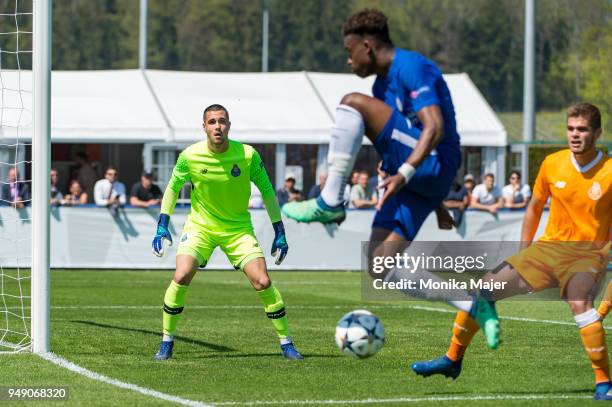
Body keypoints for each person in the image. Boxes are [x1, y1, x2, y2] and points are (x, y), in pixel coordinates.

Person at [282, 9, 499, 347]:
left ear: (367, 45)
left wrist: (406, 172)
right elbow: (392, 143)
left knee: (351, 103)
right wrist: (435, 199)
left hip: (434, 162)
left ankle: (329, 200)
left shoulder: (413, 67)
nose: (348, 60)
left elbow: (435, 128)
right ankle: (473, 303)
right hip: (418, 183)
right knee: (380, 266)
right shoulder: (381, 87)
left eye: (349, 51)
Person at [412, 103, 612, 400]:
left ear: (597, 132)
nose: (575, 134)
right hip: (547, 250)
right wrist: (523, 252)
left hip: (586, 254)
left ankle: (603, 383)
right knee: (483, 290)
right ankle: (452, 359)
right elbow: (533, 209)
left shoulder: (609, 170)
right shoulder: (552, 163)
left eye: (582, 129)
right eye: (571, 128)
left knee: (579, 302)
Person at [152, 104, 303, 361]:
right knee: (182, 274)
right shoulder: (190, 155)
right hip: (200, 228)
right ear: (204, 127)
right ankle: (167, 341)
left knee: (263, 281)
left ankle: (286, 343)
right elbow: (172, 188)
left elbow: (267, 190)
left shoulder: (247, 155)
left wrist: (280, 230)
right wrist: (162, 224)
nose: (217, 126)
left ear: (229, 125)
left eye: (222, 121)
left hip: (237, 229)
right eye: (212, 122)